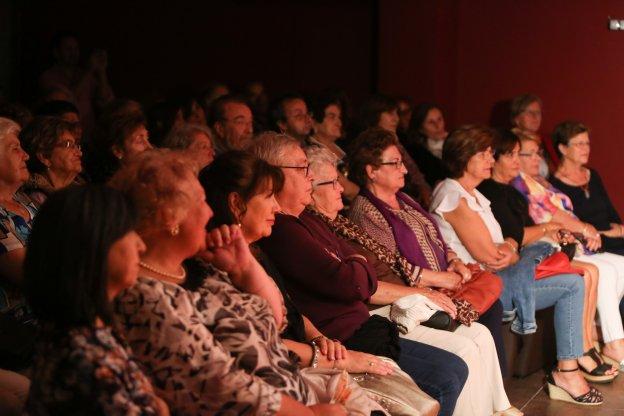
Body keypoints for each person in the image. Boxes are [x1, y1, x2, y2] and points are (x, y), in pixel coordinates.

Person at [110, 149, 364, 415]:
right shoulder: (146, 297)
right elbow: (224, 386)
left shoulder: (199, 267)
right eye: (199, 201)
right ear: (170, 217)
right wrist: (312, 414)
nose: (210, 211)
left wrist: (244, 268)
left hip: (297, 396)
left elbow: (276, 322)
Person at [198, 151, 439, 414]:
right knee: (426, 394)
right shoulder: (218, 265)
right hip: (285, 375)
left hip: (317, 350)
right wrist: (335, 360)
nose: (276, 207)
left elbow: (290, 313)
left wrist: (319, 338)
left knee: (428, 395)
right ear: (236, 204)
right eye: (268, 196)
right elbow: (267, 341)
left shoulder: (257, 251)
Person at [253, 132, 469, 416]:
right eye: (303, 168)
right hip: (345, 336)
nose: (309, 177)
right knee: (444, 378)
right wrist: (354, 264)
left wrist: (353, 263)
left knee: (457, 365)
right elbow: (350, 283)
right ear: (273, 176)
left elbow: (359, 264)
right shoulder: (282, 229)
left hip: (359, 326)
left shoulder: (306, 218)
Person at [307, 140, 521, 416]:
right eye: (394, 163)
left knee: (481, 329)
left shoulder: (393, 204)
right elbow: (382, 275)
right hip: (396, 301)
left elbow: (436, 238)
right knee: (464, 350)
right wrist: (431, 286)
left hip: (419, 288)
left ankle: (498, 407)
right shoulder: (363, 212)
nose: (404, 170)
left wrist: (454, 261)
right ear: (372, 171)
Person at [429, 125, 602, 405]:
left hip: (499, 275)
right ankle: (568, 372)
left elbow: (507, 245)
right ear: (464, 156)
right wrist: (510, 246)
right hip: (482, 282)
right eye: (484, 154)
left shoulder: (473, 194)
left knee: (574, 281)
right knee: (570, 280)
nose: (490, 159)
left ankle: (568, 370)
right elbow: (491, 255)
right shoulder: (452, 194)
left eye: (490, 153)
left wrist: (510, 246)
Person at [478, 129, 615, 383]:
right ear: (494, 158)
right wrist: (548, 230)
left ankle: (586, 346)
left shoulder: (511, 190)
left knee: (591, 272)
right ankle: (578, 356)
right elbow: (515, 237)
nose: (518, 161)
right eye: (512, 155)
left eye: (521, 154)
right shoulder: (491, 191)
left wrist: (553, 232)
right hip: (514, 268)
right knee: (583, 274)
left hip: (530, 255)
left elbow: (527, 230)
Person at [24, 185, 168, 415]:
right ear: (97, 243)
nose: (141, 245)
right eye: (129, 231)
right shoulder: (86, 358)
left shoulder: (89, 329)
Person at [513, 133, 624, 372]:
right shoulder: (519, 184)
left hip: (575, 240)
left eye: (538, 153)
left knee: (619, 266)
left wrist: (587, 231)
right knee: (599, 271)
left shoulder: (539, 181)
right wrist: (586, 229)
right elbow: (551, 215)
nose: (536, 158)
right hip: (552, 246)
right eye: (528, 154)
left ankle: (597, 337)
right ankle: (604, 342)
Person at [0, 117, 37, 415]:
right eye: (15, 148)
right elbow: (30, 274)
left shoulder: (29, 204)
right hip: (18, 332)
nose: (26, 155)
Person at [550, 121, 624, 256]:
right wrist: (609, 233)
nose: (586, 149)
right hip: (593, 246)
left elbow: (611, 212)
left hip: (616, 239)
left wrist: (620, 230)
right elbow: (571, 226)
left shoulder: (592, 174)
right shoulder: (554, 185)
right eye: (580, 144)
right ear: (563, 149)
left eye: (587, 143)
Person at [358, 95, 432, 208]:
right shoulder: (367, 147)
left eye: (397, 113)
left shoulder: (399, 141)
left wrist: (424, 189)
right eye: (390, 113)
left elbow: (416, 175)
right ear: (375, 115)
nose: (396, 119)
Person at [39, 32, 114, 133]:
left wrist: (101, 72)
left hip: (87, 133)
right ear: (56, 52)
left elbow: (106, 102)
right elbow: (69, 99)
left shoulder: (83, 74)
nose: (73, 53)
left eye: (76, 49)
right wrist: (89, 70)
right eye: (69, 49)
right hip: (64, 133)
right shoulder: (49, 76)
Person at [19, 116, 85, 205]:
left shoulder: (83, 193)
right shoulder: (36, 200)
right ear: (44, 157)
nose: (79, 153)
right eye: (68, 144)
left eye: (76, 145)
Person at [308, 94, 359, 201]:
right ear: (313, 121)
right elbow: (348, 190)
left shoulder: (344, 147)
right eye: (331, 117)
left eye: (339, 118)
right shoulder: (313, 151)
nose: (339, 123)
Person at [86, 112, 152, 183]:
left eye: (147, 138)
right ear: (117, 151)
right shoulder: (115, 190)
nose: (150, 147)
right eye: (139, 141)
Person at [509, 93, 557, 176]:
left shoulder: (547, 141)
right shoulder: (510, 143)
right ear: (517, 118)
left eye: (538, 112)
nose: (535, 116)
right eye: (530, 112)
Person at [404, 103, 450, 188]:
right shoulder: (416, 152)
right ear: (420, 128)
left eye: (439, 119)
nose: (437, 126)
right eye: (431, 122)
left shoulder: (455, 141)